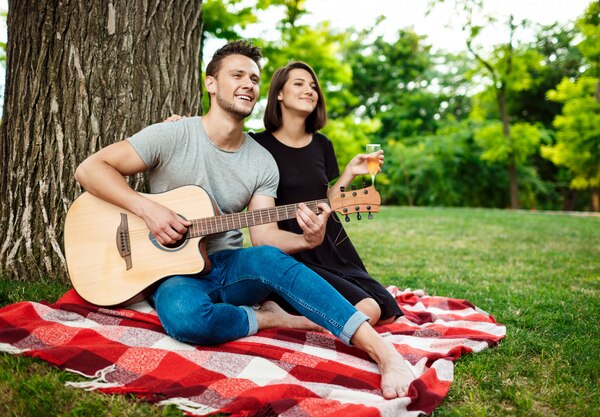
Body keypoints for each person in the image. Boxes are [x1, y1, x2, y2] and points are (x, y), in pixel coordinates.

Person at [74, 40, 415, 399]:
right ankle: (268, 318)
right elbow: (90, 168)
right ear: (210, 83)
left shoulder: (262, 160)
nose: (248, 84)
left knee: (272, 260)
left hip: (230, 265)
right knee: (187, 319)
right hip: (172, 272)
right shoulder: (172, 135)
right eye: (237, 75)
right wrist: (148, 209)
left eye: (254, 78)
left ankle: (383, 352)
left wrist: (306, 241)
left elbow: (264, 236)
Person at [252, 61, 403, 326]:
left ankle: (303, 313)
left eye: (313, 87)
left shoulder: (322, 144)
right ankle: (281, 319)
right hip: (290, 248)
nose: (309, 90)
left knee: (386, 309)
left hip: (330, 244)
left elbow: (326, 202)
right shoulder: (257, 145)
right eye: (298, 84)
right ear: (279, 94)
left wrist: (349, 174)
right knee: (370, 310)